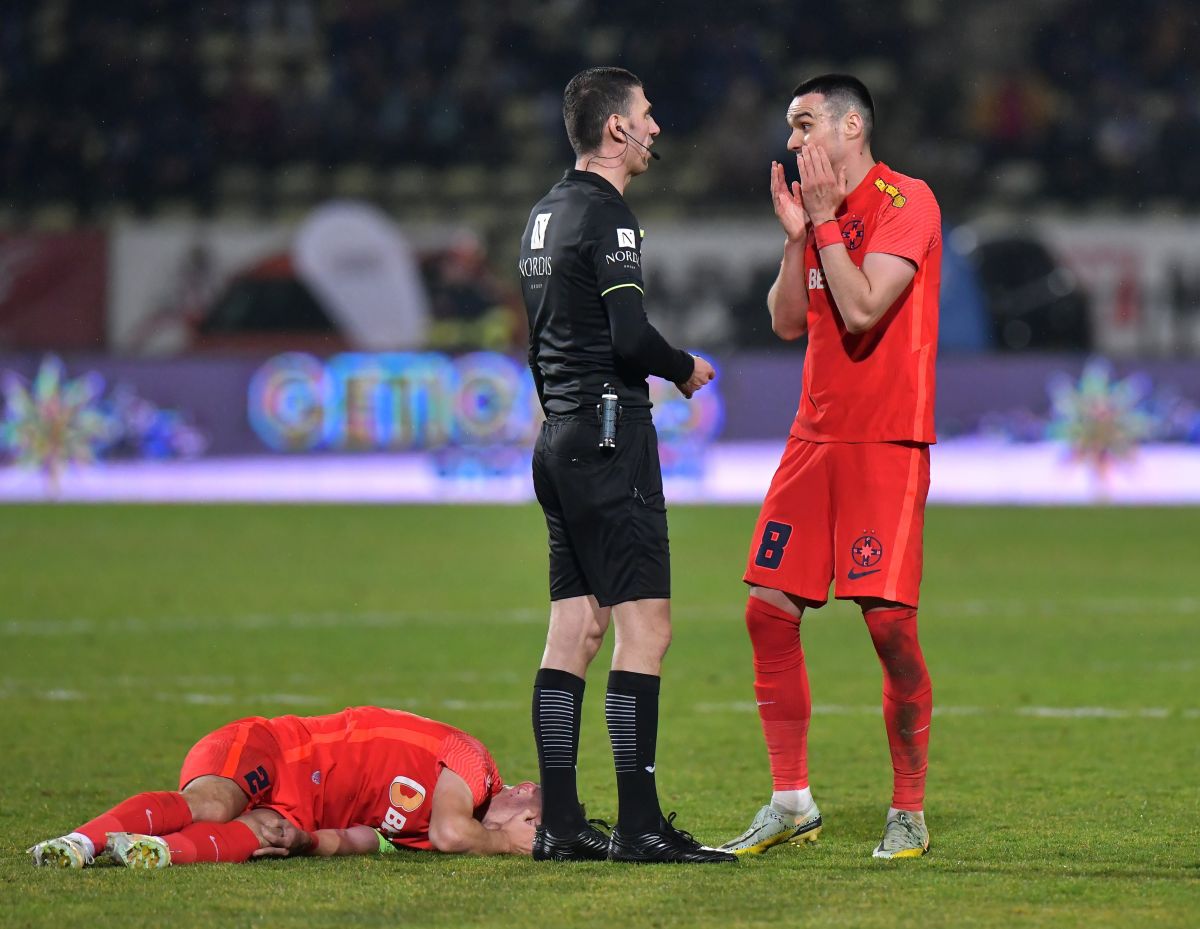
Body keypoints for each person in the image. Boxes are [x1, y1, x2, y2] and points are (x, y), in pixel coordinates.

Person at [719, 74, 942, 860]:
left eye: (805, 122)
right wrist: (797, 238)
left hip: (885, 441)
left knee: (888, 626)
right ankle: (791, 801)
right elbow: (787, 320)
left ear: (852, 126)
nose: (792, 139)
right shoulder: (820, 214)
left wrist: (822, 224)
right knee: (767, 610)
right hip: (811, 440)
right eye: (790, 125)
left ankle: (908, 808)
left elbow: (863, 306)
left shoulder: (908, 201)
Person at [517, 66, 730, 864]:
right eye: (646, 114)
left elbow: (543, 338)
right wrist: (683, 368)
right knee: (647, 628)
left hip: (557, 437)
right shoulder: (609, 215)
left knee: (574, 629)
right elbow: (630, 335)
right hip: (610, 438)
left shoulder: (543, 214)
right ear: (616, 129)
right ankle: (639, 827)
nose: (655, 127)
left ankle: (561, 823)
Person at [28, 706, 541, 868]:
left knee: (266, 835)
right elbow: (453, 832)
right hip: (274, 750)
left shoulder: (425, 834)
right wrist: (502, 842)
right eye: (536, 820)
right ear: (523, 789)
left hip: (295, 808)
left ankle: (151, 850)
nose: (532, 833)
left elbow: (359, 838)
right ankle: (78, 841)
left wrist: (306, 841)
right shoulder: (473, 761)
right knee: (211, 806)